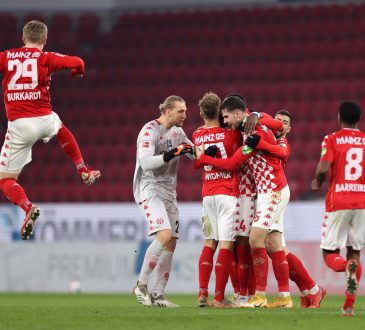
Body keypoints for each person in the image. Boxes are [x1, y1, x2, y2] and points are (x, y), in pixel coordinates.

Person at [0, 20, 100, 240]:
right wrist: (77, 72)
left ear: (23, 38)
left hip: (19, 124)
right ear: (44, 40)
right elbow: (78, 62)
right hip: (44, 118)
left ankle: (28, 207)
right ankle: (82, 169)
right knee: (60, 127)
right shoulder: (46, 57)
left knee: (5, 180)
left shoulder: (6, 56)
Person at [197, 95, 292, 308]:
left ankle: (259, 296)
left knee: (255, 240)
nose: (226, 122)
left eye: (228, 117)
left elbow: (232, 164)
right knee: (273, 242)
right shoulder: (252, 124)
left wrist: (204, 159)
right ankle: (284, 297)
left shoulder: (253, 133)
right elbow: (274, 129)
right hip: (269, 189)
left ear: (240, 113)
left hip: (273, 190)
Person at [133, 95, 194, 308]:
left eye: (185, 111)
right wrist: (171, 153)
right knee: (164, 234)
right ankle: (141, 286)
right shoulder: (149, 131)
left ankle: (158, 295)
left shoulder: (178, 132)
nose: (185, 115)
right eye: (180, 111)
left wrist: (206, 153)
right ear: (167, 111)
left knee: (172, 241)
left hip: (170, 191)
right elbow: (146, 162)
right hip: (149, 189)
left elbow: (192, 152)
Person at [311, 101, 365, 316]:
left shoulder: (332, 139)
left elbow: (324, 165)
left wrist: (318, 180)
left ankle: (346, 266)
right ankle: (349, 304)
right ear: (358, 120)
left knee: (329, 253)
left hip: (338, 202)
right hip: (362, 202)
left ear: (339, 118)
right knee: (355, 251)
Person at [268, 110, 326, 308]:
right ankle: (310, 290)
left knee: (275, 247)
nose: (281, 124)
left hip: (273, 195)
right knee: (275, 249)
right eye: (278, 121)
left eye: (285, 123)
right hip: (264, 196)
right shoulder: (267, 137)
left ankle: (312, 289)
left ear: (289, 129)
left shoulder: (281, 144)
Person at [193, 92, 242, 307]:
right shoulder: (230, 133)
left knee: (208, 243)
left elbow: (198, 162)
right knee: (225, 245)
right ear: (221, 112)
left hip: (207, 195)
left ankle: (202, 293)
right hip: (227, 193)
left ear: (200, 112)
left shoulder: (196, 135)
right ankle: (219, 298)